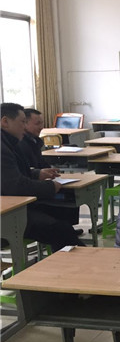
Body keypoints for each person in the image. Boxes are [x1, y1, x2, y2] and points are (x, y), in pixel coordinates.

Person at [1, 102, 84, 252]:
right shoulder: (3, 148)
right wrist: (50, 186)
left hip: (16, 206)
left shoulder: (8, 143)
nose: (24, 127)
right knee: (60, 229)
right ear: (5, 122)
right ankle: (78, 261)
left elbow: (14, 174)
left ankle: (67, 253)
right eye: (22, 122)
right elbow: (16, 186)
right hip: (8, 214)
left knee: (63, 211)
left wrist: (37, 174)